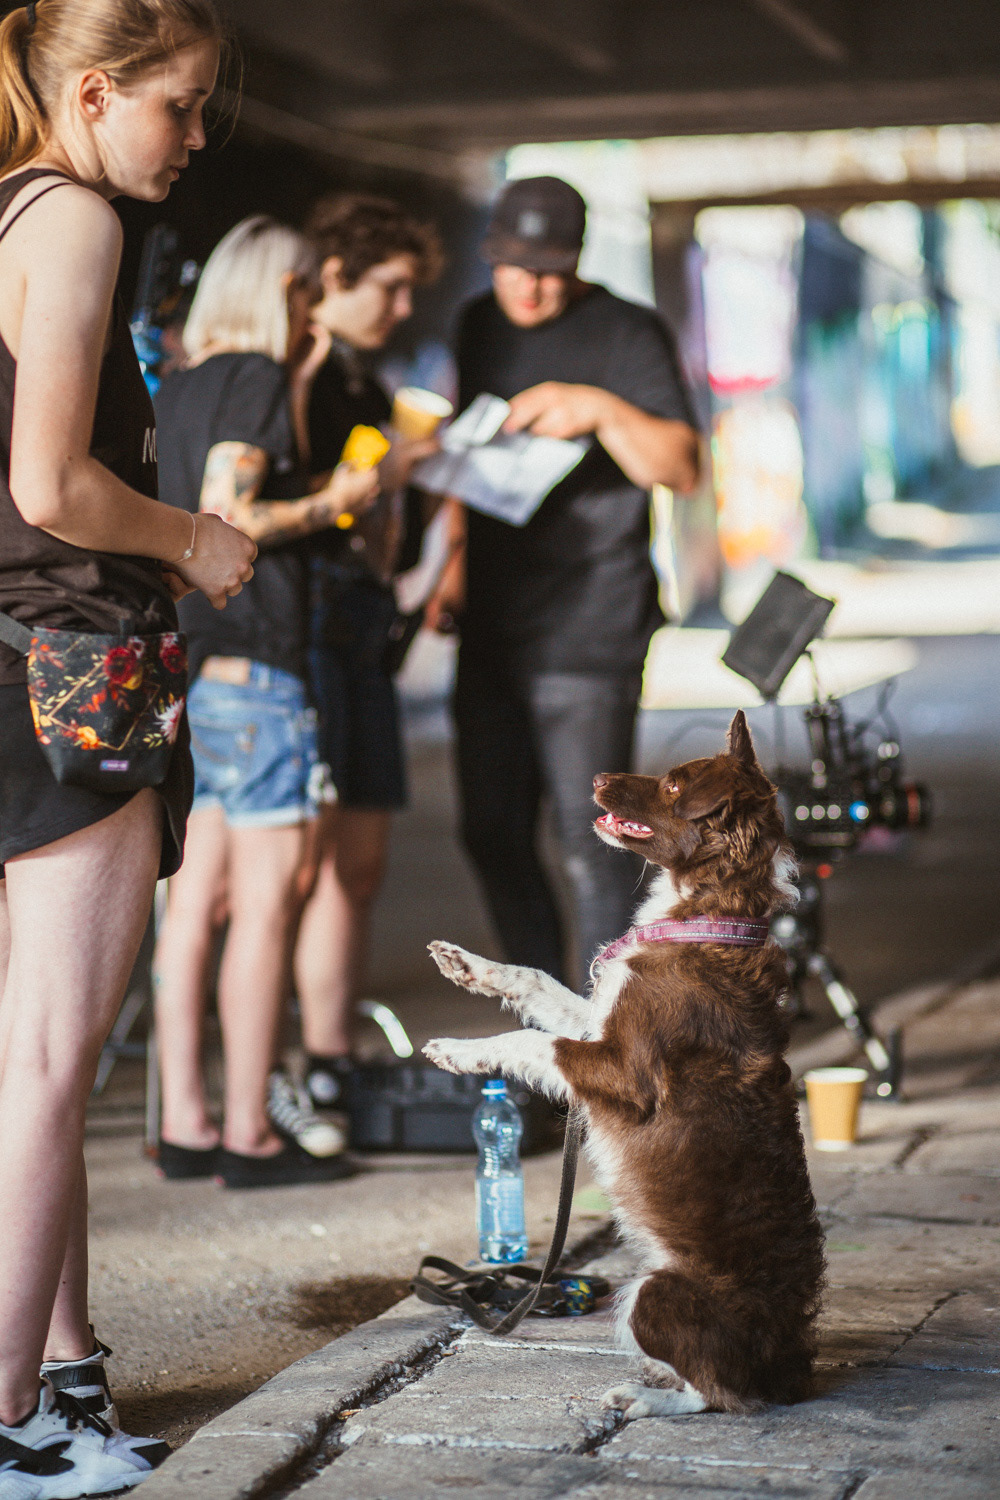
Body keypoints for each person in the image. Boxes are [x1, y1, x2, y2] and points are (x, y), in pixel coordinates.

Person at [0, 0, 257, 1490]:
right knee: (48, 1062)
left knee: (22, 1055)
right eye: (183, 105)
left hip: (5, 659)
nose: (199, 135)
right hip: (70, 666)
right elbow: (51, 483)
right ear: (94, 94)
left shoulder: (5, 213)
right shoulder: (78, 219)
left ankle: (66, 1373)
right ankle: (20, 1429)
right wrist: (195, 539)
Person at [152, 217, 380, 1189]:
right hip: (260, 668)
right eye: (301, 294)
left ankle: (187, 1124)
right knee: (265, 908)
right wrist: (339, 500)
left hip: (195, 668)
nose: (309, 312)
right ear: (275, 289)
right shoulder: (248, 374)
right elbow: (231, 515)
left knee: (192, 907)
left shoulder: (187, 379)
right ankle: (251, 1131)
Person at [435, 176, 701, 986]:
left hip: (593, 622)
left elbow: (682, 469)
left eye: (547, 268)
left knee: (594, 848)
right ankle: (545, 1010)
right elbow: (466, 456)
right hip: (492, 622)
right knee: (490, 831)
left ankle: (610, 1032)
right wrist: (448, 560)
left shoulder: (626, 333)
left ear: (577, 259)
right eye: (512, 266)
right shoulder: (477, 323)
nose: (529, 285)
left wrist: (599, 409)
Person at [291, 195, 443, 1112]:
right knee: (296, 867)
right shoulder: (289, 371)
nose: (401, 310)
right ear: (335, 276)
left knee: (362, 861)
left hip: (363, 629)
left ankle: (332, 1051)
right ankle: (303, 1067)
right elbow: (261, 500)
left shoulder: (368, 385)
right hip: (300, 631)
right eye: (387, 289)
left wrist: (408, 492)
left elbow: (385, 536)